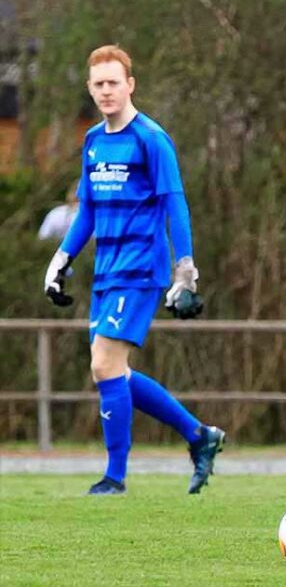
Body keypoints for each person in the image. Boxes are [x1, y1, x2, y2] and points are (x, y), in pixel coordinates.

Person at [43, 45, 225, 496]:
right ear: (90, 88)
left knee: (105, 364)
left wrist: (185, 270)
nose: (106, 90)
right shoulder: (93, 141)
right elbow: (87, 211)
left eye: (113, 82)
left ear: (130, 85)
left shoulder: (151, 138)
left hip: (142, 269)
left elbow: (174, 203)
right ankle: (199, 435)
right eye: (98, 83)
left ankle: (115, 478)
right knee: (112, 371)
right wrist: (61, 260)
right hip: (106, 271)